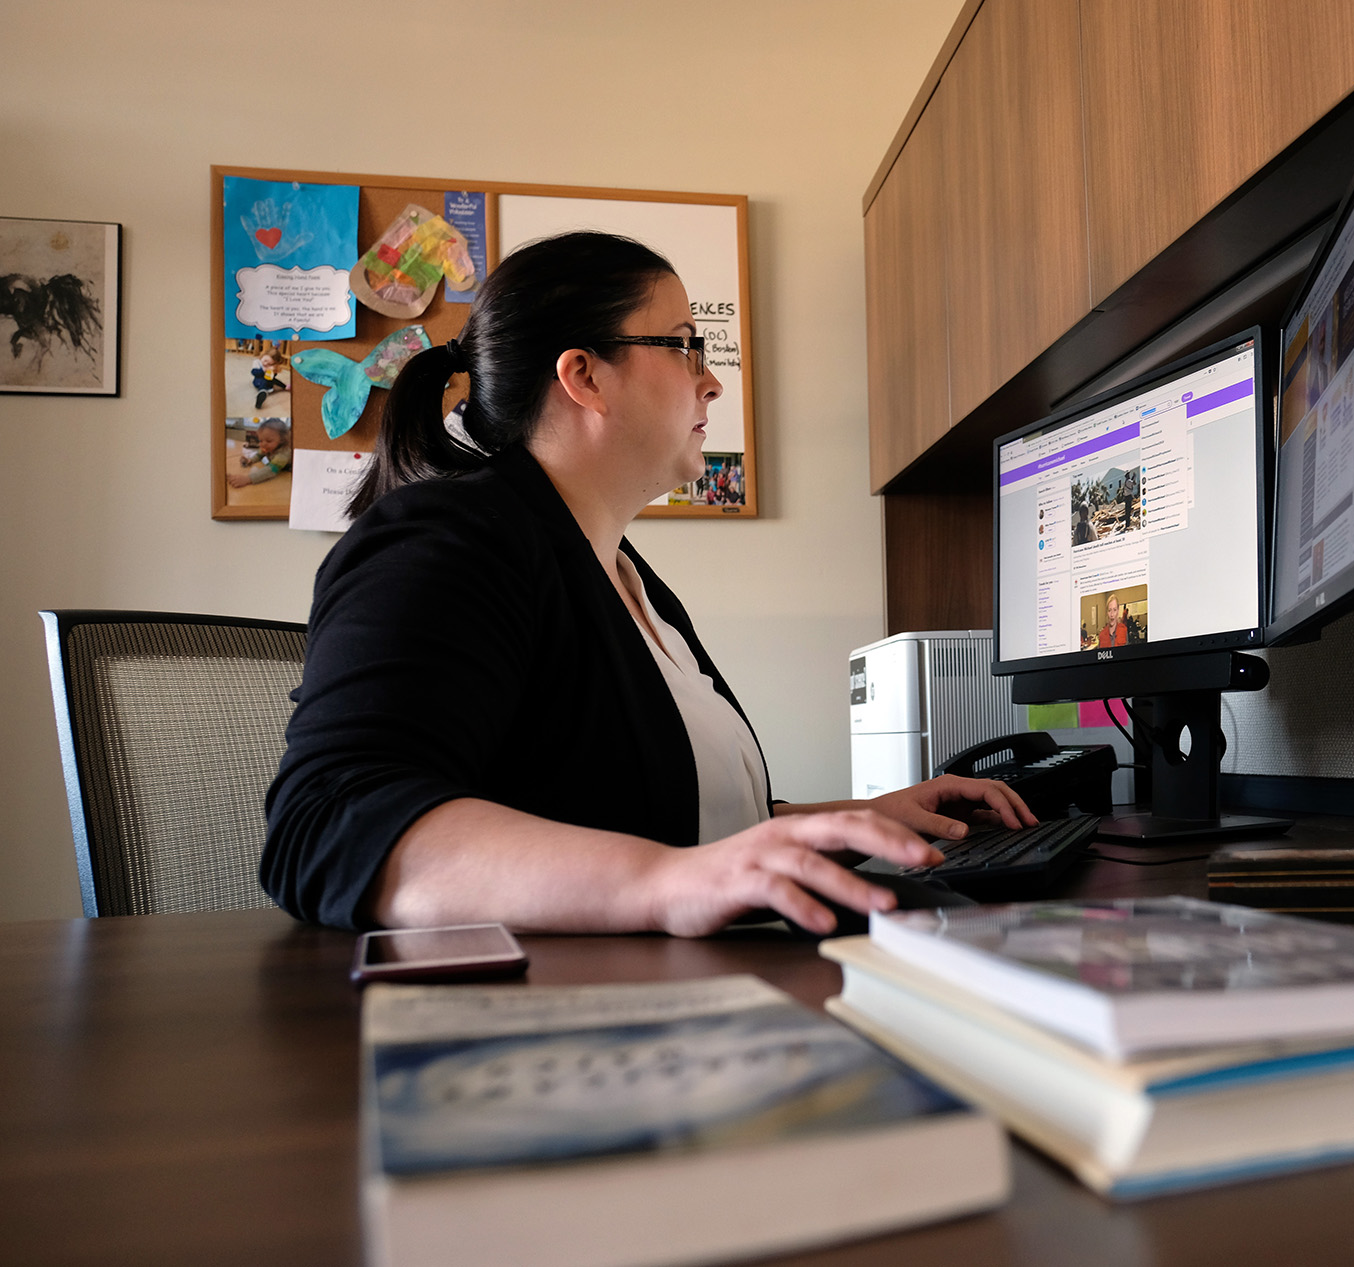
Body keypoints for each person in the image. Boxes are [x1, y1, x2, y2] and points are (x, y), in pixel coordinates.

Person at [259, 232, 1032, 935]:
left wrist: (861, 819)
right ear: (584, 375)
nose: (712, 382)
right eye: (687, 346)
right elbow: (328, 825)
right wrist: (662, 883)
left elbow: (665, 816)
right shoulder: (448, 540)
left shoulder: (626, 575)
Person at [228, 417, 291, 486]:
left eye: (269, 441)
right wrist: (250, 460)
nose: (263, 444)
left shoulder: (283, 454)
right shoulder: (269, 447)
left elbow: (271, 470)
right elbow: (259, 455)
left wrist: (248, 479)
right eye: (260, 441)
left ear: (282, 440)